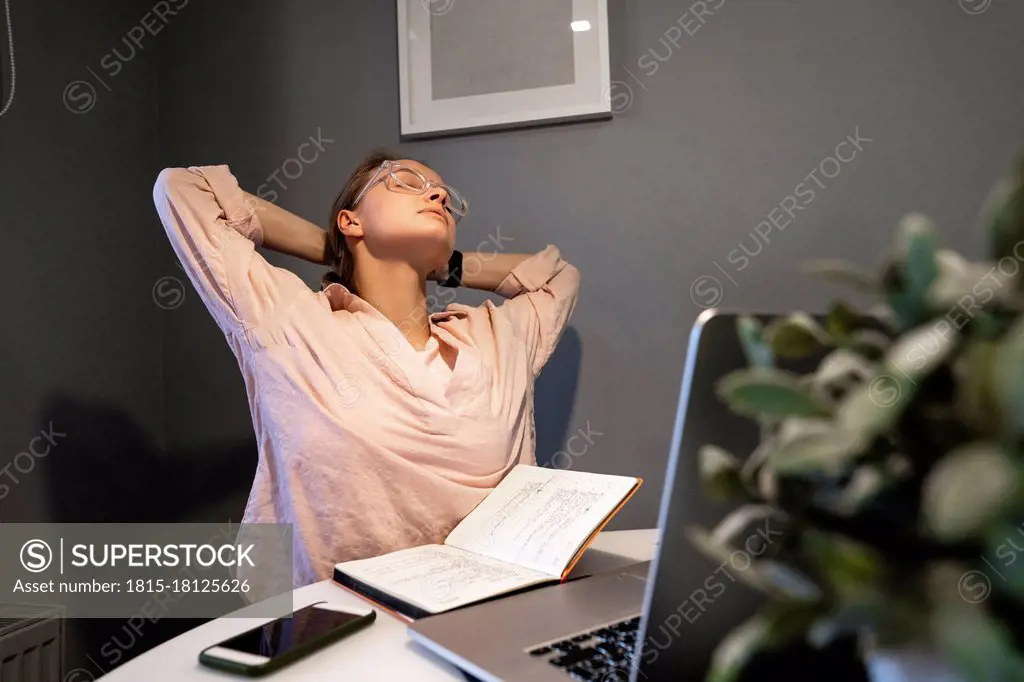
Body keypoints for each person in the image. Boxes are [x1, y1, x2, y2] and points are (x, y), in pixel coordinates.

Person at [151, 149, 580, 588]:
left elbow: (557, 277)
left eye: (445, 199)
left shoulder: (492, 340)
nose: (437, 194)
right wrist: (333, 246)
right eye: (407, 181)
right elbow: (182, 189)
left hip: (490, 624)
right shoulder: (288, 322)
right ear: (350, 219)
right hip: (338, 633)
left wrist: (441, 265)